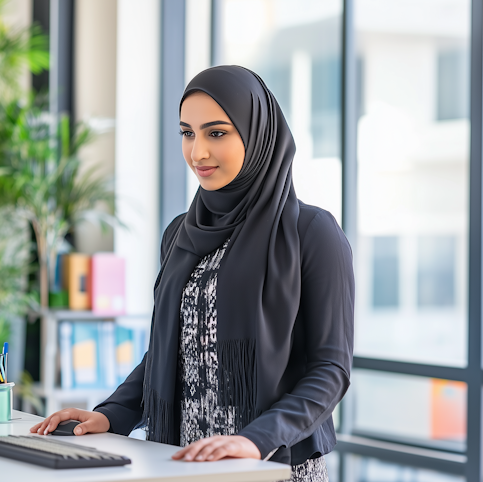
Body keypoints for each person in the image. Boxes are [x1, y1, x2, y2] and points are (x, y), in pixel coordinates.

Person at [31, 65, 354, 481]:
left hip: (270, 467)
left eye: (216, 133)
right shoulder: (180, 233)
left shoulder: (311, 232)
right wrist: (111, 414)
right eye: (188, 133)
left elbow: (331, 370)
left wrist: (255, 439)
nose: (197, 152)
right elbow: (171, 351)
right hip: (180, 464)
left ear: (257, 135)